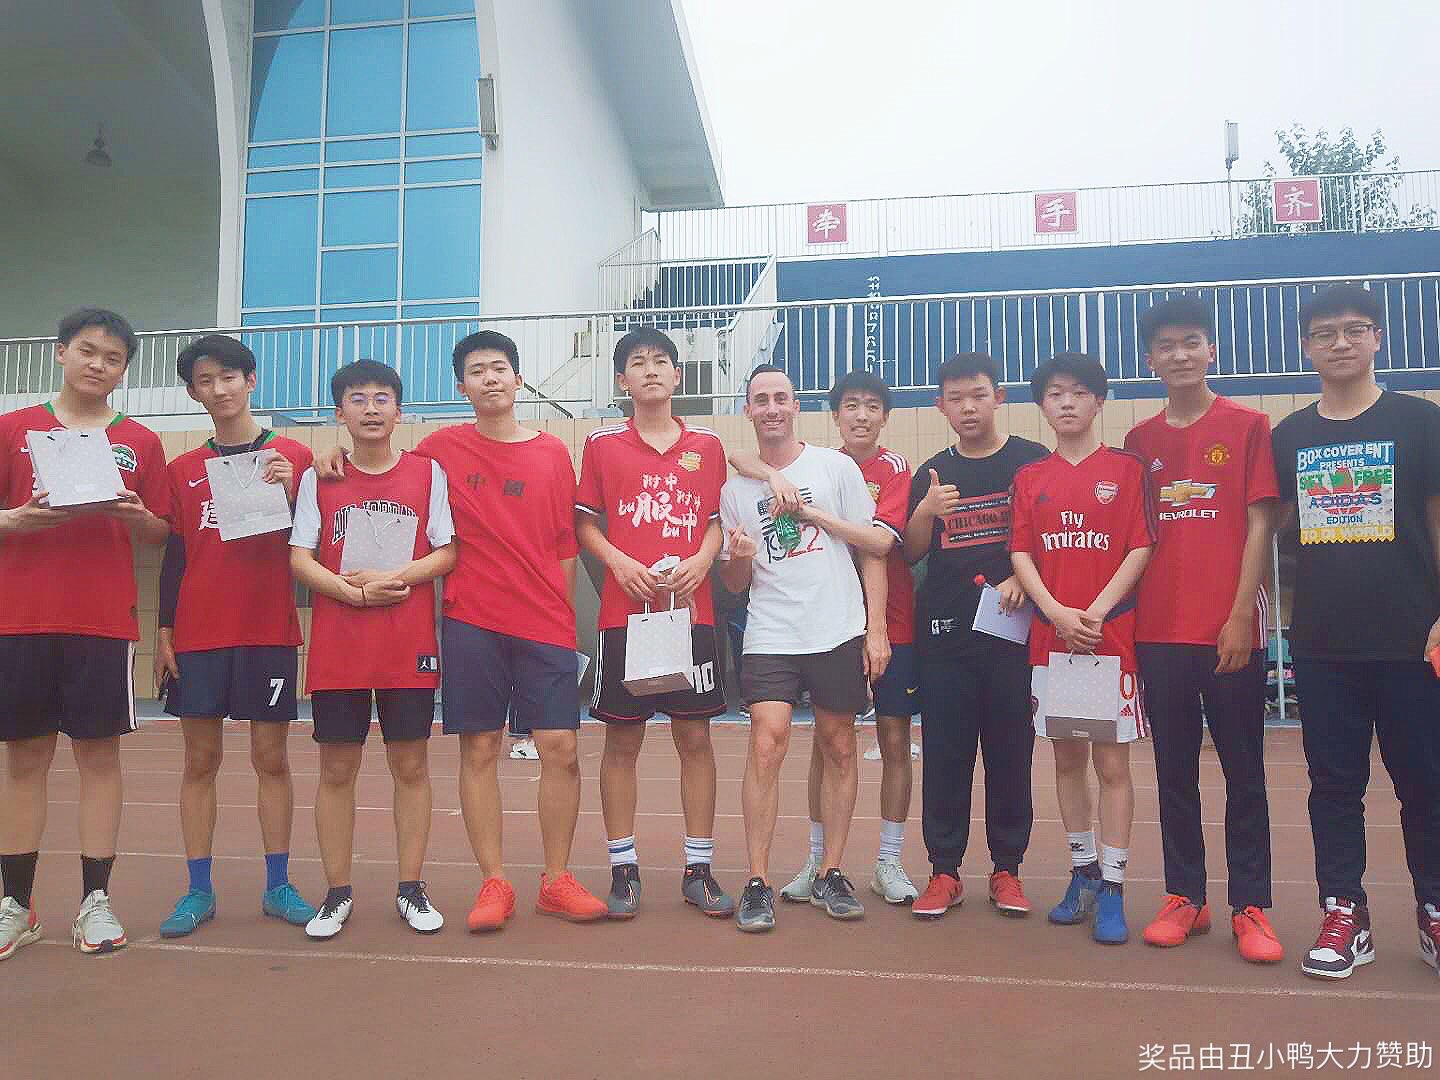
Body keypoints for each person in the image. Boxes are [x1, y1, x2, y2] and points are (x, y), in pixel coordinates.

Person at [1270, 283, 1440, 980]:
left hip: (1412, 641)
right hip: (1322, 645)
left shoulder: (1420, 422)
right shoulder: (1289, 437)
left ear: (1377, 339)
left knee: (1425, 782)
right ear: (1306, 346)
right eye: (1325, 332)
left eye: (1354, 329)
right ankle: (1345, 913)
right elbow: (1274, 536)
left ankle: (1433, 910)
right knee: (1333, 786)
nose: (1340, 342)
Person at [0, 308, 171, 959]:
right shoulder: (14, 428)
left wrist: (136, 515)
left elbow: (159, 533)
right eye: (88, 351)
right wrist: (15, 521)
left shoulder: (140, 441)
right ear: (60, 352)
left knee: (99, 759)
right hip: (20, 618)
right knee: (24, 760)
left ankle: (95, 902)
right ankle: (16, 904)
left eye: (113, 358)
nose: (99, 365)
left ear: (124, 371)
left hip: (102, 621)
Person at [1123, 299, 1283, 963]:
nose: (1180, 354)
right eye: (1167, 345)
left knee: (1244, 771)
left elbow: (1261, 522)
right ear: (1151, 360)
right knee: (1173, 771)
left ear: (1211, 350)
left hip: (1230, 629)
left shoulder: (1248, 426)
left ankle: (1251, 904)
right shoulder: (1139, 441)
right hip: (1159, 632)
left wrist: (1241, 613)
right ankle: (1185, 895)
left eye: (1191, 341)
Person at [736, 370, 920, 905]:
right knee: (766, 741)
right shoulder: (735, 485)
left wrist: (875, 630)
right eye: (761, 400)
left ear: (797, 406)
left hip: (837, 628)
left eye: (781, 398)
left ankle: (832, 871)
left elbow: (875, 551)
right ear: (748, 410)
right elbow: (733, 578)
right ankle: (757, 880)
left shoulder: (837, 469)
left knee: (840, 745)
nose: (772, 408)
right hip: (771, 631)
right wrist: (741, 556)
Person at [154, 334, 317, 938]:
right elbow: (175, 557)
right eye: (205, 381)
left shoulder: (293, 455)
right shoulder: (181, 469)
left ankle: (278, 885)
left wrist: (295, 491)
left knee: (271, 759)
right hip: (199, 635)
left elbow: (318, 541)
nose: (219, 389)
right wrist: (164, 630)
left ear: (251, 380)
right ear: (193, 392)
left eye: (229, 376)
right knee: (200, 761)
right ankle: (198, 889)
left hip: (267, 631)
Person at [289, 360, 456, 939]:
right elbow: (300, 555)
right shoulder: (319, 478)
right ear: (340, 413)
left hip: (407, 644)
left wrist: (395, 578)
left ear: (399, 410)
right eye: (357, 399)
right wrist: (351, 594)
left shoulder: (428, 473)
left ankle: (411, 887)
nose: (371, 408)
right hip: (339, 646)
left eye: (382, 398)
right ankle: (336, 892)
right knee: (337, 768)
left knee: (410, 765)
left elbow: (448, 551)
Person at [577, 327, 733, 919]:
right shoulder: (602, 444)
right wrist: (618, 563)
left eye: (661, 361)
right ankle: (624, 869)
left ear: (677, 375)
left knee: (696, 738)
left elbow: (716, 518)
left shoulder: (708, 446)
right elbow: (585, 522)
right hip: (626, 618)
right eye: (637, 363)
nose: (650, 370)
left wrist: (702, 560)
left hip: (690, 616)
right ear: (623, 380)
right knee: (623, 740)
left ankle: (699, 869)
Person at [1009, 352, 1155, 946]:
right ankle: (1083, 873)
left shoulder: (1127, 469)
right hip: (1053, 642)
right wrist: (1054, 611)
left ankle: (1114, 884)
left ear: (1099, 400)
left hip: (1107, 639)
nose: (1066, 402)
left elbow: (1140, 546)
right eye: (1054, 393)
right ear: (1042, 406)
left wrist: (1093, 612)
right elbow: (1021, 552)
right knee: (1066, 760)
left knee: (1112, 766)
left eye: (1077, 392)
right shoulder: (1030, 478)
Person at [902, 353, 1048, 920]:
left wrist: (1022, 578)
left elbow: (1050, 537)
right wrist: (926, 510)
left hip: (1013, 639)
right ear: (940, 406)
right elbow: (911, 552)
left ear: (999, 397)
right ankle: (944, 871)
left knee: (1011, 755)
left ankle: (1007, 869)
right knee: (945, 756)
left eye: (978, 395)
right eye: (956, 398)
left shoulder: (1030, 462)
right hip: (945, 638)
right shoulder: (933, 472)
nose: (968, 407)